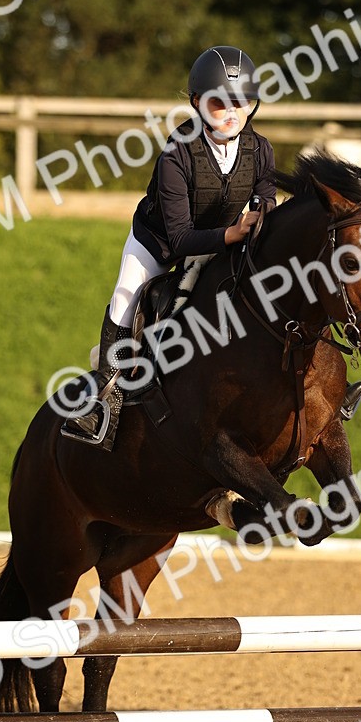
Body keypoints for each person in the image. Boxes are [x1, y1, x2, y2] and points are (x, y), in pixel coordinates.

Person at [62, 45, 277, 448]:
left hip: (224, 242)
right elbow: (179, 237)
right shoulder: (177, 153)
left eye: (241, 103)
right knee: (125, 300)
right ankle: (103, 402)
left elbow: (265, 193)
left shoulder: (259, 149)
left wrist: (262, 213)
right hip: (160, 244)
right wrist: (232, 234)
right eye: (219, 103)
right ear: (197, 102)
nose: (232, 113)